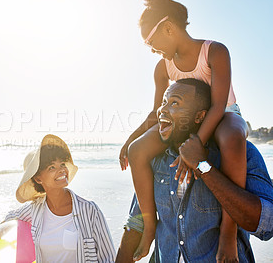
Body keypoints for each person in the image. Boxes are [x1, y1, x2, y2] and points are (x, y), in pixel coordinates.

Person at [119, 0, 249, 260]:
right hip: (182, 122)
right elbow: (157, 113)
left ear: (168, 28)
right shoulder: (162, 67)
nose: (152, 50)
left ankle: (228, 232)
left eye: (151, 42)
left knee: (233, 138)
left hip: (222, 114)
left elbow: (218, 104)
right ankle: (149, 226)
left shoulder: (215, 51)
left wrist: (195, 147)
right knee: (138, 150)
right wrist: (130, 139)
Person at [116, 79, 273, 262]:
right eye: (163, 102)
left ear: (199, 117)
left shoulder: (241, 154)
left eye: (175, 103)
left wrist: (202, 166)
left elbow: (266, 225)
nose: (162, 110)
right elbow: (137, 222)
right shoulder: (155, 160)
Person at [1, 134, 115, 263]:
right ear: (38, 179)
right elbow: (8, 221)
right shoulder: (34, 210)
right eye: (52, 167)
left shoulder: (89, 210)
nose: (61, 170)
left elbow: (108, 257)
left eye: (62, 164)